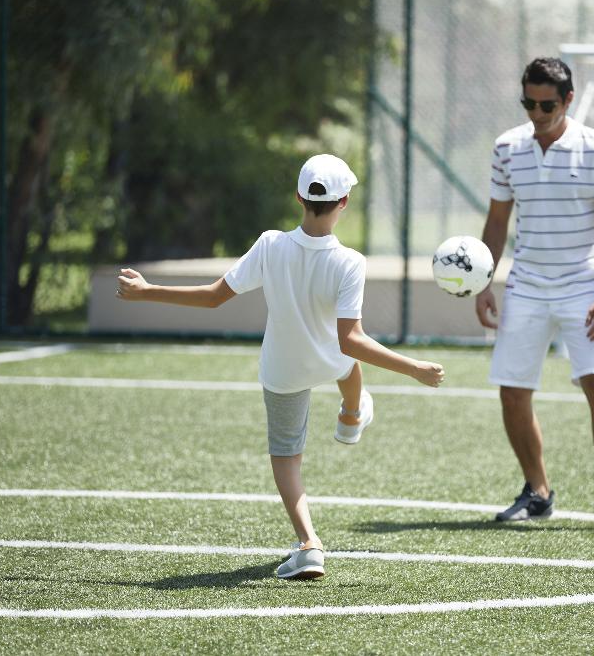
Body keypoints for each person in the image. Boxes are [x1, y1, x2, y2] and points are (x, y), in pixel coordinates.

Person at [117, 154, 446, 578]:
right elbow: (351, 341)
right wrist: (413, 368)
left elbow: (214, 297)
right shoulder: (351, 261)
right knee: (347, 366)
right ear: (344, 202)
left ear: (299, 198)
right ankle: (351, 415)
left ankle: (309, 544)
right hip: (328, 359)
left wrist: (147, 291)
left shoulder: (270, 244)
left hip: (284, 369)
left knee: (287, 457)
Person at [475, 57, 594, 533]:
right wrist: (484, 282)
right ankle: (538, 492)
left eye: (546, 105)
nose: (536, 113)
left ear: (568, 100)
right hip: (526, 285)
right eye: (528, 103)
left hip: (584, 285)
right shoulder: (507, 147)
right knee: (512, 392)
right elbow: (497, 221)